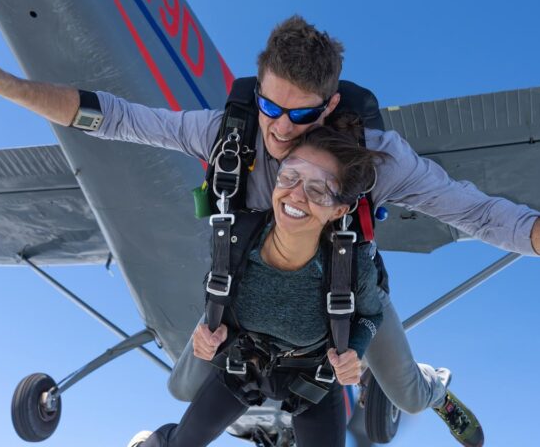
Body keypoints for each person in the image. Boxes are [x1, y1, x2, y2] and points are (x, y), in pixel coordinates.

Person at [0, 9, 540, 447]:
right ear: (258, 89)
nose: (279, 130)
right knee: (184, 373)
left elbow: (481, 213)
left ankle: (437, 389)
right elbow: (117, 118)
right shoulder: (227, 131)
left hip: (345, 299)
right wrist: (6, 87)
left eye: (299, 114)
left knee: (407, 399)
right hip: (252, 293)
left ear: (328, 108)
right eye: (270, 107)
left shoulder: (378, 159)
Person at [130, 120, 385, 447]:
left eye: (317, 189)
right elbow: (217, 288)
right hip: (242, 369)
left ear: (340, 209)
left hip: (313, 381)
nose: (296, 194)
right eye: (290, 176)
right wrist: (211, 330)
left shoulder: (352, 267)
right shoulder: (234, 237)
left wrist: (355, 350)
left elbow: (371, 316)